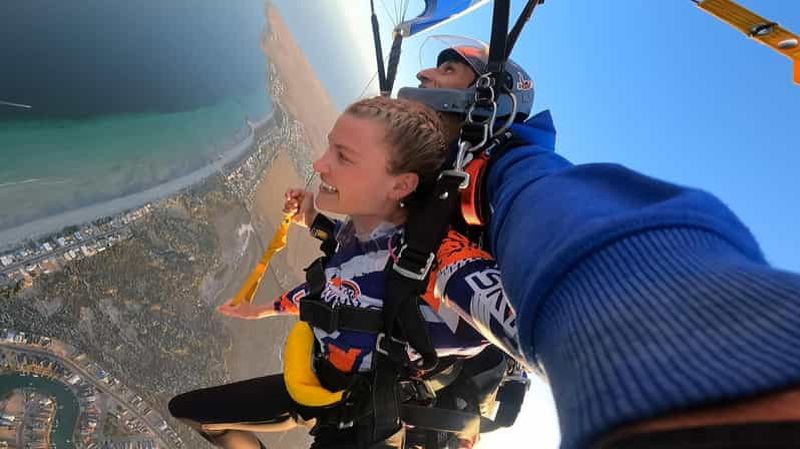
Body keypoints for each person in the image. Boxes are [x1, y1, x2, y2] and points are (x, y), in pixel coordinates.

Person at [401, 38, 800, 449]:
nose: (422, 75)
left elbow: (556, 206)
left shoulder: (507, 168)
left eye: (448, 70)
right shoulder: (424, 180)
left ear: (487, 99)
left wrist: (668, 342)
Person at [169, 96, 522, 449]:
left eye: (344, 156)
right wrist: (261, 307)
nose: (319, 164)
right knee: (192, 411)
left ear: (400, 186)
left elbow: (527, 327)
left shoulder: (441, 259)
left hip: (369, 416)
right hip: (321, 384)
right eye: (329, 148)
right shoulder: (360, 235)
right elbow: (336, 288)